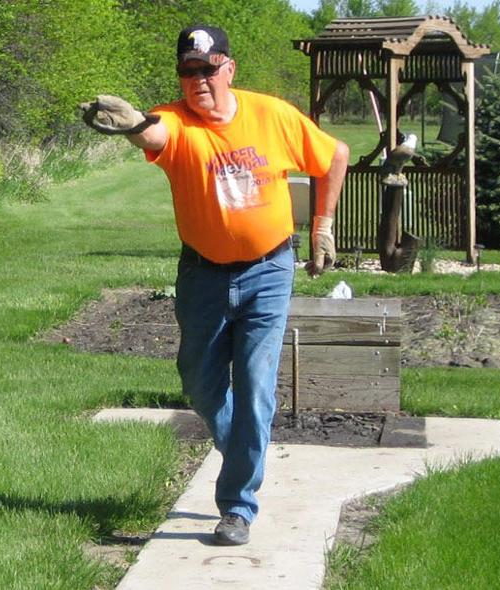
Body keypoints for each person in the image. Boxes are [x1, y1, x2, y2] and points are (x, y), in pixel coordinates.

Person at [79, 24, 349, 546]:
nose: (197, 80)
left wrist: (322, 225)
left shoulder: (272, 115)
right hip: (202, 274)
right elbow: (155, 133)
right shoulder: (176, 120)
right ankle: (246, 449)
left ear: (229, 68)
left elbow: (334, 155)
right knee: (200, 384)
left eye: (207, 69)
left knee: (254, 385)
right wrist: (134, 124)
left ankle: (237, 506)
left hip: (269, 270)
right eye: (187, 71)